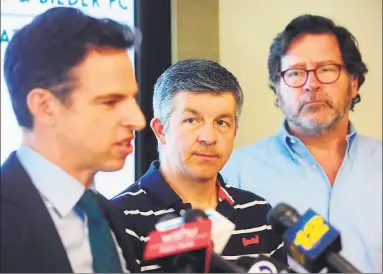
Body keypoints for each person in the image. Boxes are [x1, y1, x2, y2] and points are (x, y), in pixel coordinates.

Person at [221, 14, 382, 273]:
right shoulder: (235, 174)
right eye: (295, 73)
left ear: (353, 83)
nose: (312, 84)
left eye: (327, 69)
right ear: (277, 90)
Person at [1, 7, 146, 273]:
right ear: (45, 107)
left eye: (132, 99)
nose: (138, 120)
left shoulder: (106, 213)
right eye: (110, 102)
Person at [112, 58, 287, 272]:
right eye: (192, 120)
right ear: (160, 130)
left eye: (221, 122)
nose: (208, 137)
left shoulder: (259, 213)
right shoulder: (120, 217)